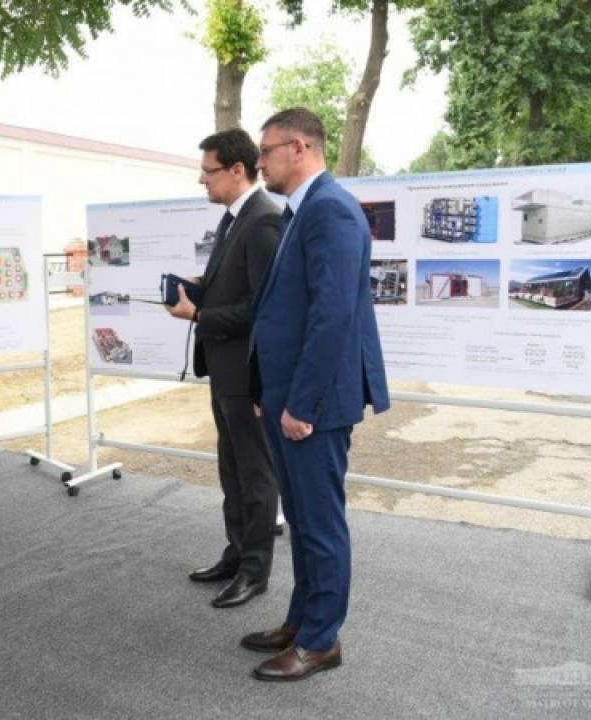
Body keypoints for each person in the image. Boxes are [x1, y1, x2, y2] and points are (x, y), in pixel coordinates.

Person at [243, 109, 390, 681]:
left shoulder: (330, 210)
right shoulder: (303, 211)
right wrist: (268, 390)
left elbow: (331, 319)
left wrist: (301, 405)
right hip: (290, 399)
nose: (259, 162)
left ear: (299, 148)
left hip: (313, 407)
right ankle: (302, 622)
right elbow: (285, 311)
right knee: (302, 521)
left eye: (266, 151)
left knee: (320, 525)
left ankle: (321, 641)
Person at [165, 128, 280, 608]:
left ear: (237, 170)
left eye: (207, 171)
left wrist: (199, 314)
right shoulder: (235, 219)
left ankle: (255, 570)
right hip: (224, 369)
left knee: (254, 474)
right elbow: (238, 286)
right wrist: (202, 285)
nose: (201, 180)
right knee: (231, 469)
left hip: (247, 373)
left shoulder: (263, 220)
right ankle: (237, 554)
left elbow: (264, 308)